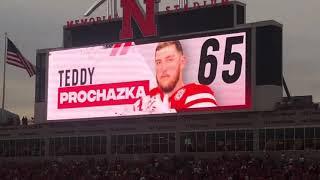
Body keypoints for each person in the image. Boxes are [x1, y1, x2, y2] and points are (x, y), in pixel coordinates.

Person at [134, 40, 217, 113]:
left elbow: (202, 128)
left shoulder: (198, 93)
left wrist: (166, 119)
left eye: (169, 60)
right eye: (158, 62)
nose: (163, 68)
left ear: (182, 62)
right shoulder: (146, 99)